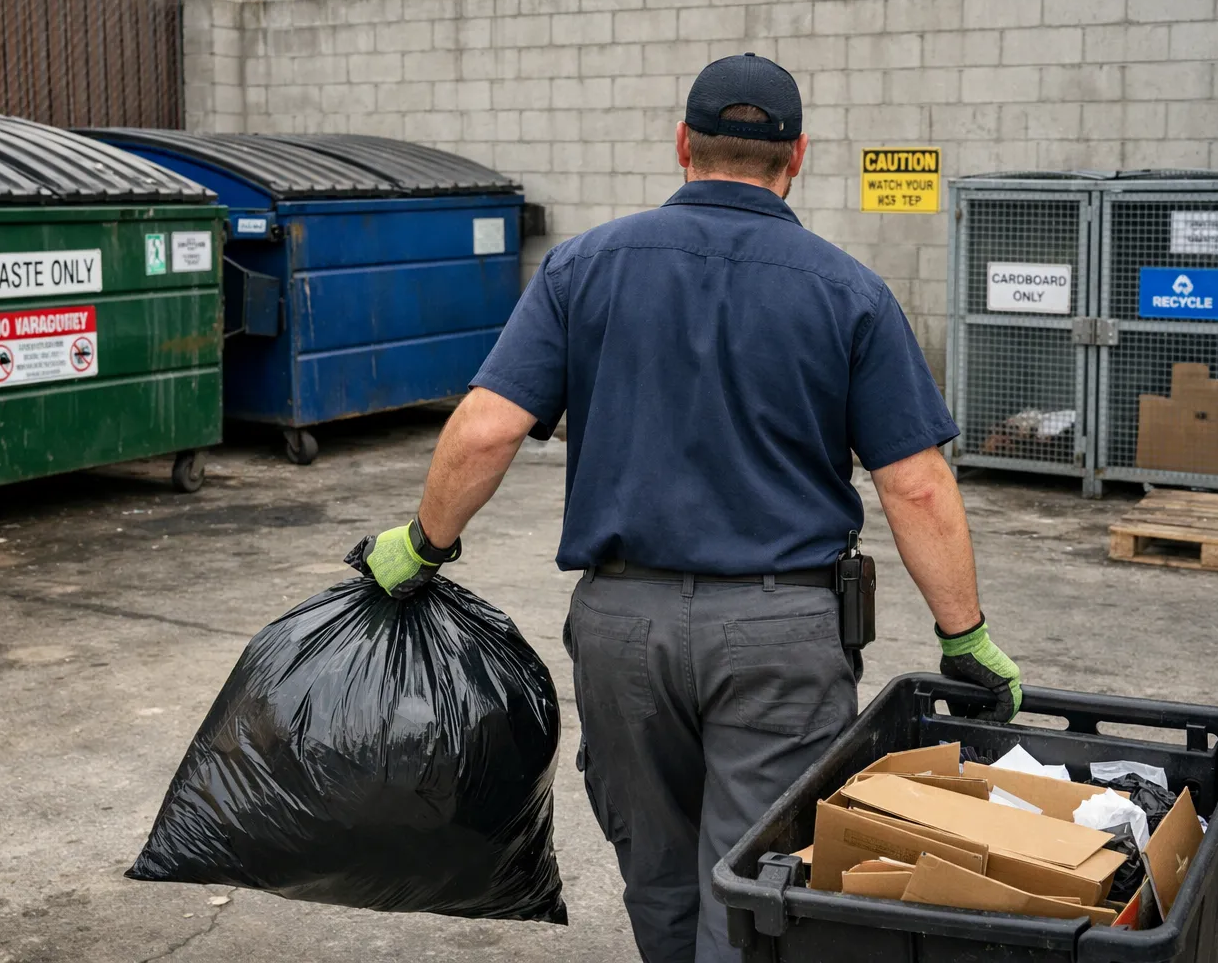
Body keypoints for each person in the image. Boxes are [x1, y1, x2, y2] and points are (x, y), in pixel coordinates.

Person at [349, 53, 1022, 963]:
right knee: (755, 873)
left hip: (623, 629)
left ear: (681, 146)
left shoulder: (581, 268)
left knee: (658, 865)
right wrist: (963, 634)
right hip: (782, 633)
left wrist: (422, 545)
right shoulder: (848, 292)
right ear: (799, 157)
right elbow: (916, 483)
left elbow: (483, 430)